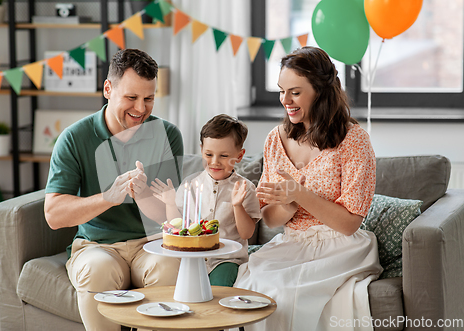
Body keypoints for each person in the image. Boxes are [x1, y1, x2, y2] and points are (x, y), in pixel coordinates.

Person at [233, 46, 383, 331]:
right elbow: (270, 218)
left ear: (320, 91)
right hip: (293, 243)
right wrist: (288, 206)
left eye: (295, 92)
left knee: (290, 295)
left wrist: (300, 194)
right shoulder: (275, 139)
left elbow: (349, 224)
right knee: (251, 285)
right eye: (281, 91)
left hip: (340, 246)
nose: (285, 100)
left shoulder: (354, 140)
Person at [44, 49, 183, 331]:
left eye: (149, 98)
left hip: (153, 243)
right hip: (98, 246)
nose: (140, 108)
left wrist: (142, 194)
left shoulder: (168, 135)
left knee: (171, 267)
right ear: (108, 89)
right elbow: (54, 215)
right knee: (98, 269)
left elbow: (171, 218)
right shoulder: (74, 138)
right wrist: (108, 197)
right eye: (131, 98)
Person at [151, 114, 261, 287]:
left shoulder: (245, 188)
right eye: (209, 154)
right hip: (192, 258)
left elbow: (246, 234)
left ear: (239, 156)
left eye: (224, 156)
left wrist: (238, 206)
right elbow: (178, 225)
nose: (215, 162)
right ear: (201, 150)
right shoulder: (190, 184)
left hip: (226, 260)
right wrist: (170, 203)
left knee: (218, 289)